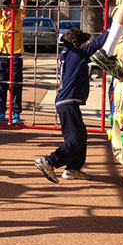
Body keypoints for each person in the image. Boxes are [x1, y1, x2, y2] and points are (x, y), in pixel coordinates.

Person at [34, 27, 108, 183]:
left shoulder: (67, 54)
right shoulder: (76, 54)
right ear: (76, 44)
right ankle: (50, 161)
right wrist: (116, 28)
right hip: (68, 102)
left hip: (66, 102)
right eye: (83, 45)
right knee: (74, 140)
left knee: (81, 135)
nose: (85, 48)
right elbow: (95, 44)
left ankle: (73, 168)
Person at [0, 0, 31, 125]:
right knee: (1, 84)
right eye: (5, 10)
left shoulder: (18, 18)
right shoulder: (0, 18)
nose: (6, 13)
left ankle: (16, 114)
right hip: (2, 56)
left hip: (15, 56)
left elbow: (24, 2)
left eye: (9, 10)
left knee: (16, 85)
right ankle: (1, 112)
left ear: (14, 10)